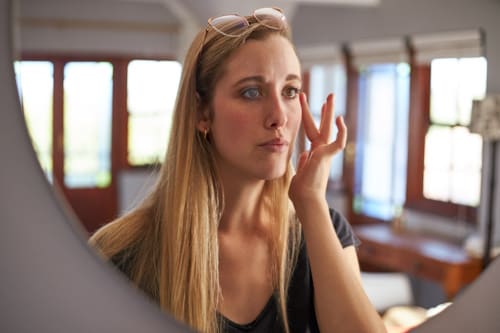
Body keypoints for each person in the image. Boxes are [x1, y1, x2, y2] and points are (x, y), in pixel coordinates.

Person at [89, 7, 386, 333]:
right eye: (251, 92)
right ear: (202, 112)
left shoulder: (322, 231)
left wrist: (311, 200)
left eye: (290, 91)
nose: (279, 117)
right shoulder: (122, 254)